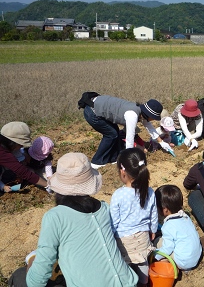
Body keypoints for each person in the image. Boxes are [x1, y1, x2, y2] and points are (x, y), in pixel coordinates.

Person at [20, 152, 138, 287]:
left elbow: (38, 278)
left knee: (19, 276)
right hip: (128, 281)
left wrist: (30, 263)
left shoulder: (55, 217)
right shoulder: (104, 208)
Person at [79, 92, 173, 169]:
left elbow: (149, 127)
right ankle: (96, 162)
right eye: (154, 118)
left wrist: (161, 142)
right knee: (112, 134)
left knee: (115, 132)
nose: (153, 120)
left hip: (98, 109)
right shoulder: (132, 115)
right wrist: (129, 160)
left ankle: (113, 158)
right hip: (93, 112)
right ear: (149, 115)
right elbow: (129, 139)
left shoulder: (140, 111)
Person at [110, 148, 158, 287]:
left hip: (123, 242)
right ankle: (144, 283)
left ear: (122, 171)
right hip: (143, 238)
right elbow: (153, 214)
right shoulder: (149, 191)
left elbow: (114, 222)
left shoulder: (119, 195)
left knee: (125, 269)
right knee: (143, 266)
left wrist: (111, 237)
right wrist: (153, 230)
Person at [154, 185, 202, 270]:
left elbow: (167, 248)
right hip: (195, 257)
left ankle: (171, 264)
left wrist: (154, 256)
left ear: (165, 210)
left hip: (184, 262)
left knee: (158, 241)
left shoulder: (168, 226)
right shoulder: (185, 217)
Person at [0, 122, 47, 193]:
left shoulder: (4, 145)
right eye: (21, 144)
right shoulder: (3, 153)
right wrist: (47, 185)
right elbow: (24, 172)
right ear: (12, 143)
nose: (22, 146)